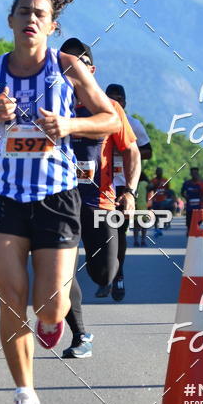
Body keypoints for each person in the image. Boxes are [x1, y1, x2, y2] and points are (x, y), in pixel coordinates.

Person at [0, 0, 120, 404]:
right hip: (2, 197)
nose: (31, 18)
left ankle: (51, 323)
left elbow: (110, 119)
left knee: (50, 304)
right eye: (24, 11)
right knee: (11, 298)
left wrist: (69, 126)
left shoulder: (68, 67)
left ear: (52, 27)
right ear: (11, 20)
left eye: (40, 14)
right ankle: (25, 396)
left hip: (56, 196)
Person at [58, 40, 140, 358]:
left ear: (91, 70)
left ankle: (112, 277)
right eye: (65, 64)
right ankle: (79, 335)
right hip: (58, 203)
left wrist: (130, 192)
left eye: (79, 63)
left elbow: (131, 150)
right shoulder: (48, 105)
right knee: (60, 273)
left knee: (102, 273)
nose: (72, 69)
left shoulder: (109, 108)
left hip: (100, 205)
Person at [104, 83, 151, 297]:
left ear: (124, 103)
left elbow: (148, 151)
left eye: (118, 100)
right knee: (99, 232)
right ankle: (104, 272)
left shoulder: (132, 123)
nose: (114, 103)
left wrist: (125, 148)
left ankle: (118, 274)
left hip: (123, 184)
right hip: (101, 183)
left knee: (119, 231)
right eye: (110, 98)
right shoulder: (97, 121)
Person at [147, 166, 174, 236]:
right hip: (155, 200)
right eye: (157, 171)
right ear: (156, 173)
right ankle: (156, 228)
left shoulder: (165, 180)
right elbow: (149, 189)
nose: (159, 173)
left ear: (162, 173)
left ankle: (162, 226)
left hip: (163, 200)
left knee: (162, 213)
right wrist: (152, 186)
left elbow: (168, 189)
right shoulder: (153, 180)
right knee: (156, 215)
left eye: (160, 171)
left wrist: (169, 197)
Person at [181, 166, 203, 233]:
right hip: (189, 207)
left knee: (198, 222)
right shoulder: (187, 183)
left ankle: (196, 233)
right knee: (189, 223)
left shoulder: (202, 184)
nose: (194, 175)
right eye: (193, 174)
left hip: (199, 207)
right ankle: (189, 233)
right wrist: (185, 197)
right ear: (190, 174)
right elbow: (182, 192)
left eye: (195, 173)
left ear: (198, 174)